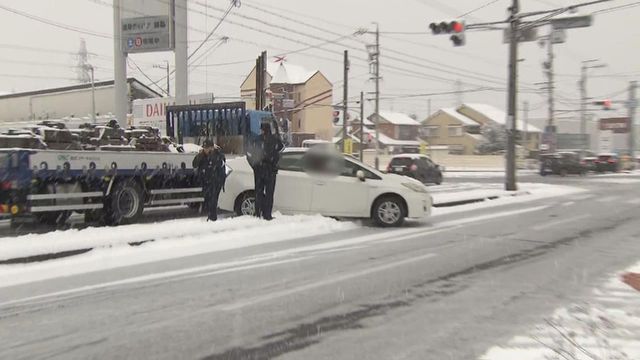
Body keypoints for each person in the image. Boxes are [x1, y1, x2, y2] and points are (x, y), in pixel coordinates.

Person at [247, 122, 284, 220]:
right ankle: (267, 214)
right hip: (270, 170)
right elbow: (281, 150)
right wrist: (274, 162)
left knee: (259, 192)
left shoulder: (256, 140)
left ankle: (258, 213)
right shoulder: (275, 140)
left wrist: (254, 165)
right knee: (269, 193)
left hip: (259, 170)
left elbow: (249, 154)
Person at [192, 139, 226, 221]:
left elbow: (221, 164)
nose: (206, 150)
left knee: (213, 200)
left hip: (215, 181)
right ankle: (210, 216)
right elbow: (194, 164)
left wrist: (212, 156)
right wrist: (200, 156)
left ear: (212, 148)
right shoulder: (202, 155)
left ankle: (212, 218)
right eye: (205, 148)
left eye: (208, 148)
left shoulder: (218, 154)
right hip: (205, 181)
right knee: (207, 200)